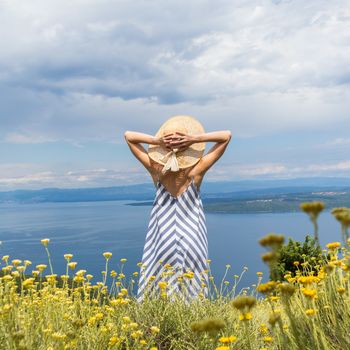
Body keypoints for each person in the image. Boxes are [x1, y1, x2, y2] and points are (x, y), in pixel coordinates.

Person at [124, 115, 231, 303]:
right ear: (188, 148)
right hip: (193, 238)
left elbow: (128, 136)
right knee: (193, 286)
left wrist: (157, 141)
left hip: (163, 237)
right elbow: (226, 136)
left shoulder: (156, 170)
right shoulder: (195, 172)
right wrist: (194, 139)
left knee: (159, 286)